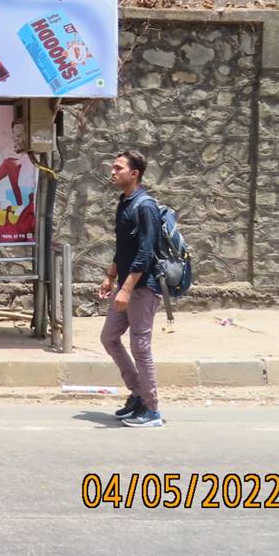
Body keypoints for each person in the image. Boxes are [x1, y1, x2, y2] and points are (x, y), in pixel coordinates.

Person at [99, 149, 165, 427]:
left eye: (118, 168)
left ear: (134, 173)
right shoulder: (124, 203)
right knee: (109, 338)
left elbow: (145, 252)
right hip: (126, 285)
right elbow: (124, 247)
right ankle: (137, 394)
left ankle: (152, 410)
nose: (112, 172)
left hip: (143, 288)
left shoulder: (145, 206)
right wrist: (111, 276)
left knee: (140, 347)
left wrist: (126, 290)